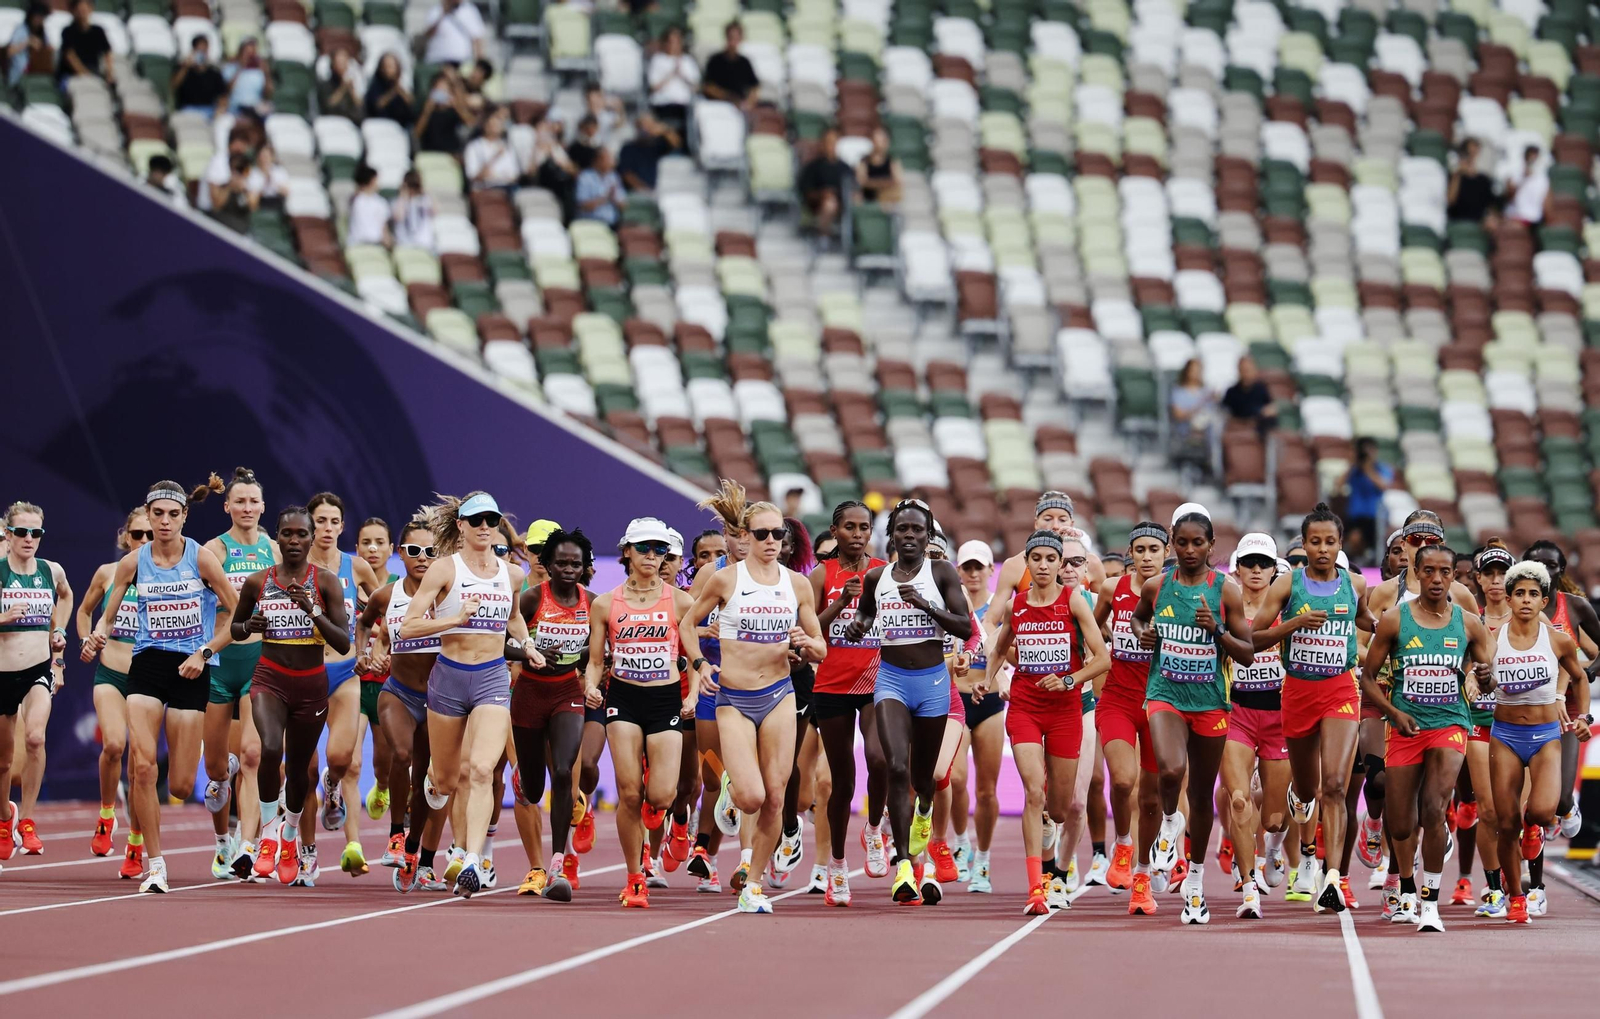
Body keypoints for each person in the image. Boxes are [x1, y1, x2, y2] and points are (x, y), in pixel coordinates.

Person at [83, 480, 239, 892]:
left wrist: (204, 654)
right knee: (142, 766)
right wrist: (98, 632)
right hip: (148, 664)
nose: (165, 522)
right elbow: (108, 613)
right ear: (148, 517)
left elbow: (238, 617)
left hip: (192, 665)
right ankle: (155, 865)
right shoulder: (133, 563)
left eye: (173, 514)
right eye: (158, 515)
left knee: (182, 785)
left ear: (185, 516)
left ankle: (223, 771)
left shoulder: (202, 559)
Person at [688, 491, 825, 913]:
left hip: (779, 696)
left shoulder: (796, 584)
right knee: (750, 797)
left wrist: (807, 643)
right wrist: (699, 665)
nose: (771, 541)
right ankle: (731, 785)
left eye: (777, 534)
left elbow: (820, 647)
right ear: (745, 536)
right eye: (762, 533)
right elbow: (687, 622)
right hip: (733, 698)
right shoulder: (726, 580)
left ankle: (754, 884)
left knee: (776, 797)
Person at [401, 493, 540, 897]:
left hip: (492, 678)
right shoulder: (445, 569)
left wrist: (527, 643)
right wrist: (453, 621)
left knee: (481, 770)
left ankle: (473, 859)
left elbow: (514, 618)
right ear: (460, 525)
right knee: (446, 780)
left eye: (491, 520)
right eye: (476, 520)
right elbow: (408, 626)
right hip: (448, 678)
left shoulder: (512, 574)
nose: (484, 527)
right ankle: (428, 809)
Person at [843, 499, 973, 902]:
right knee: (896, 766)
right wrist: (857, 626)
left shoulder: (942, 572)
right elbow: (865, 616)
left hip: (933, 682)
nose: (911, 536)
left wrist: (925, 605)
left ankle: (924, 811)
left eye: (918, 530)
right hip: (891, 680)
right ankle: (903, 866)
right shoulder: (877, 579)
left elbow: (966, 627)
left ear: (928, 535)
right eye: (903, 530)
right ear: (893, 535)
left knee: (925, 778)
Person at [1360, 543, 1495, 932]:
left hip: (1451, 724)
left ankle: (1429, 901)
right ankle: (1404, 885)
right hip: (1407, 727)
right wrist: (1393, 713)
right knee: (1402, 823)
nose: (1437, 579)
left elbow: (1490, 677)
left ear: (1454, 575)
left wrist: (1485, 678)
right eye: (1429, 571)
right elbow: (1367, 679)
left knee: (1435, 809)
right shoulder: (1395, 621)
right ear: (1417, 573)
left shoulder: (1469, 623)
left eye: (1445, 572)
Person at [1130, 510, 1256, 925]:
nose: (1188, 550)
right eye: (1181, 543)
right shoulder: (1157, 585)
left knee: (1202, 796)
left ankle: (1196, 882)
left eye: (1196, 543)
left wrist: (1216, 629)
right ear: (1172, 544)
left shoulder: (1227, 591)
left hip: (1210, 703)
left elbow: (1246, 652)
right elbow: (1139, 617)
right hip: (1165, 693)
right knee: (1170, 771)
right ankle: (1170, 821)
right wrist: (1143, 633)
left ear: (1210, 546)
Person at [1249, 504, 1374, 914]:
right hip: (1298, 692)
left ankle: (1332, 878)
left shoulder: (1355, 585)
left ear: (1340, 546)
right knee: (1306, 790)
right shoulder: (1288, 584)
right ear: (1304, 544)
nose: (1322, 549)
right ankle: (1299, 803)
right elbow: (1254, 638)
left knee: (1335, 785)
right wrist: (1293, 625)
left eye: (1330, 542)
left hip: (1340, 689)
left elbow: (1370, 621)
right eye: (1315, 542)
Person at [980, 531, 1109, 914]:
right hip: (1026, 709)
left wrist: (1070, 679)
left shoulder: (1075, 602)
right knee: (1034, 792)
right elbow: (1000, 647)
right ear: (1027, 563)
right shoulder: (1016, 605)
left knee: (1060, 807)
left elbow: (1102, 658)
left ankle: (1054, 863)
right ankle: (1037, 887)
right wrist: (987, 681)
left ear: (1058, 564)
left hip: (1066, 710)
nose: (1042, 565)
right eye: (1035, 558)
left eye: (1050, 559)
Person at [585, 517, 705, 907]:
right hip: (623, 699)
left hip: (666, 700)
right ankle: (635, 876)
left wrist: (694, 695)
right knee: (629, 793)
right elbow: (596, 660)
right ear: (627, 552)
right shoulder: (606, 603)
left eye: (659, 549)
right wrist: (590, 684)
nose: (652, 556)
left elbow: (693, 657)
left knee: (662, 794)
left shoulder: (680, 601)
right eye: (644, 548)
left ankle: (661, 814)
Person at [231, 506, 352, 885]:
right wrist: (247, 625)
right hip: (269, 679)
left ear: (312, 538)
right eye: (288, 534)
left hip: (311, 684)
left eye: (302, 534)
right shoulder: (258, 581)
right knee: (269, 750)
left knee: (300, 772)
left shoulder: (327, 582)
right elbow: (236, 627)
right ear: (277, 538)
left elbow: (344, 642)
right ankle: (268, 832)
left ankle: (290, 835)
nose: (295, 541)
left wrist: (312, 610)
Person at [1489, 560, 1591, 923]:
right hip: (1504, 737)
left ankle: (1535, 829)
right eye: (1520, 594)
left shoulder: (1558, 639)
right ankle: (1516, 898)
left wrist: (1584, 719)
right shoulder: (1493, 637)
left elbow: (1579, 678)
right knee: (1505, 821)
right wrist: (1476, 682)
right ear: (1511, 598)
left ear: (1544, 601)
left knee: (1543, 812)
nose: (1527, 600)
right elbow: (1476, 676)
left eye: (1534, 594)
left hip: (1547, 736)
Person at [358, 521, 445, 891]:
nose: (422, 559)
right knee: (401, 753)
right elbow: (363, 624)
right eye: (413, 551)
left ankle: (413, 848)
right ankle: (396, 833)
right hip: (398, 692)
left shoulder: (449, 595)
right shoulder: (386, 595)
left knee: (428, 779)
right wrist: (366, 651)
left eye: (430, 552)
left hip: (439, 700)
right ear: (400, 554)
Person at [200, 469, 277, 881]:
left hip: (258, 663)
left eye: (254, 501)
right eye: (240, 502)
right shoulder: (213, 550)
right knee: (216, 768)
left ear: (263, 507)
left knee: (251, 755)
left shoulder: (276, 550)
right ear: (227, 506)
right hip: (216, 664)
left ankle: (247, 847)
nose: (247, 508)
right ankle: (221, 841)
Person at [511, 528, 596, 900]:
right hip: (528, 694)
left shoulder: (592, 603)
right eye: (560, 562)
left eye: (575, 563)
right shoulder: (531, 600)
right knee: (533, 788)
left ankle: (558, 863)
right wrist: (527, 652)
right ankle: (522, 778)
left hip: (567, 693)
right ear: (546, 564)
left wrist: (589, 670)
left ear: (585, 566)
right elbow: (500, 643)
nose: (568, 569)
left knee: (564, 772)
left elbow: (600, 647)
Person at [306, 492, 382, 880]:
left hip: (344, 672)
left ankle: (332, 788)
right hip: (303, 673)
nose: (328, 529)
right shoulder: (296, 567)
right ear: (309, 524)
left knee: (345, 761)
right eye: (321, 521)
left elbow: (378, 614)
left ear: (342, 526)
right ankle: (303, 847)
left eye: (334, 522)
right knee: (302, 766)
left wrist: (371, 648)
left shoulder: (356, 568)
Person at [1520, 539, 1599, 913]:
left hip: (1564, 713)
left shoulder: (1575, 608)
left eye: (1551, 565)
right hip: (1522, 715)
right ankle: (1532, 888)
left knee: (1561, 798)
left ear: (1560, 571)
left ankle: (1568, 809)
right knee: (1530, 808)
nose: (1543, 570)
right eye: (1535, 563)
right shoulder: (1516, 607)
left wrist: (1586, 673)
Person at [1092, 521, 1168, 912]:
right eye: (1140, 550)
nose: (1147, 556)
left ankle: (1142, 876)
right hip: (1118, 698)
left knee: (1152, 797)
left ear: (1166, 553)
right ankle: (1123, 843)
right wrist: (1106, 640)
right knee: (1123, 780)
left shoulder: (1177, 593)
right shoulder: (1112, 588)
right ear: (1131, 554)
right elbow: (1096, 624)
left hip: (1161, 702)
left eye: (1154, 549)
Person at [75, 509, 152, 872]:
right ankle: (107, 814)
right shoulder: (108, 574)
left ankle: (136, 842)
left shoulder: (171, 580)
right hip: (111, 673)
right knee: (113, 745)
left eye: (152, 536)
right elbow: (83, 611)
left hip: (148, 681)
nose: (145, 542)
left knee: (140, 765)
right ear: (126, 537)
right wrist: (86, 641)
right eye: (139, 535)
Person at [1221, 534, 1291, 917]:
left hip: (1279, 717)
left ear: (1274, 569)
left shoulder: (1287, 606)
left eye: (1264, 564)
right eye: (1249, 563)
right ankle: (1250, 888)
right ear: (1237, 568)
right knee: (1238, 799)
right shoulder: (1225, 605)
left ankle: (1274, 846)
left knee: (1274, 816)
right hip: (1237, 713)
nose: (1256, 570)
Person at [0, 501, 72, 860]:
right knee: (3, 761)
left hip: (38, 670)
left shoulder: (50, 570)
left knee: (34, 737)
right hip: (2, 672)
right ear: (8, 534)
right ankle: (3, 820)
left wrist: (58, 633)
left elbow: (66, 594)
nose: (29, 539)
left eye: (36, 533)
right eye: (22, 532)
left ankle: (27, 820)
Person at [951, 538, 1002, 892]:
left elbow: (1011, 651)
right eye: (966, 567)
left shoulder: (999, 610)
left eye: (978, 567)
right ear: (958, 571)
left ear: (989, 571)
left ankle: (982, 860)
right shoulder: (951, 607)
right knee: (954, 779)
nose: (972, 573)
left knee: (986, 790)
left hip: (991, 703)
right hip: (955, 698)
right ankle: (960, 842)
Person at [1342, 438, 1392, 565]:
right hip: (1355, 515)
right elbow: (1338, 485)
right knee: (1354, 539)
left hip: (1374, 516)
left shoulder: (1381, 469)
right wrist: (1352, 464)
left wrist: (1368, 468)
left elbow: (1383, 485)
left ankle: (1367, 560)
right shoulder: (1354, 470)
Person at [799, 128, 850, 238]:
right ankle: (823, 237)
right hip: (818, 205)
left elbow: (853, 190)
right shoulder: (813, 167)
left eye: (834, 142)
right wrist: (823, 194)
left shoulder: (846, 168)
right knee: (829, 204)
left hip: (844, 205)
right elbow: (806, 192)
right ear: (822, 143)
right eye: (828, 142)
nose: (831, 146)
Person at [647, 25, 698, 129]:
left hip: (684, 106)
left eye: (676, 42)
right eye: (670, 42)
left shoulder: (688, 61)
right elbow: (653, 87)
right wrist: (671, 75)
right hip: (663, 104)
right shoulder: (658, 60)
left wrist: (682, 75)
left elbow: (696, 87)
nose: (673, 45)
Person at [415, 69, 476, 155]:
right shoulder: (425, 110)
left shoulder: (454, 111)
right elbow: (416, 134)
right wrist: (427, 110)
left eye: (444, 90)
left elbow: (471, 124)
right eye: (438, 90)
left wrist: (456, 106)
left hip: (451, 153)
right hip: (429, 153)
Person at [617, 113, 681, 194]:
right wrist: (644, 190)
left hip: (652, 191)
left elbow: (676, 143)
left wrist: (664, 129)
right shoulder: (628, 147)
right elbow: (626, 173)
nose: (644, 129)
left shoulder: (655, 145)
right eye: (640, 125)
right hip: (634, 192)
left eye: (647, 125)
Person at [702, 22, 759, 110]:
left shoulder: (745, 62)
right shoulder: (715, 61)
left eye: (736, 38)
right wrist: (727, 97)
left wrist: (749, 102)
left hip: (740, 107)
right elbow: (708, 87)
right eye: (731, 38)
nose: (733, 42)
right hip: (718, 106)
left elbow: (754, 86)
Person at [463, 106, 522, 190]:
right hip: (485, 189)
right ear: (486, 126)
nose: (496, 127)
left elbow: (513, 175)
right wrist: (495, 157)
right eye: (493, 124)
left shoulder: (507, 146)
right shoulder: (474, 147)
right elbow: (473, 176)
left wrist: (500, 177)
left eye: (499, 124)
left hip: (507, 188)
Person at [1168, 358, 1215, 463]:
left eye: (1198, 370)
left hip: (1206, 427)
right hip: (1186, 429)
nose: (1196, 373)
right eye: (1193, 370)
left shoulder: (1205, 391)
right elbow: (1178, 414)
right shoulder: (1179, 392)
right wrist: (1196, 409)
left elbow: (1210, 411)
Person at [172, 35, 227, 120]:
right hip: (188, 109)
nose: (202, 53)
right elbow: (174, 85)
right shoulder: (184, 70)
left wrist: (219, 111)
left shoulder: (214, 72)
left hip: (208, 110)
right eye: (199, 50)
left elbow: (222, 95)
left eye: (204, 50)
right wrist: (186, 67)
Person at [56, 0, 111, 84]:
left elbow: (107, 52)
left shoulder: (98, 31)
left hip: (94, 71)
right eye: (79, 9)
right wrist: (86, 75)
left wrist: (109, 73)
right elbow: (69, 56)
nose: (82, 12)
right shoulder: (68, 32)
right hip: (72, 75)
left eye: (84, 9)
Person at [1221, 355, 1276, 434]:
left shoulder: (1261, 389)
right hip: (1237, 429)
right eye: (1243, 370)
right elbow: (1227, 411)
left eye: (1248, 370)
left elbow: (1269, 408)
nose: (1246, 373)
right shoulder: (1231, 392)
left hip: (1259, 427)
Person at [1447, 138, 1496, 225]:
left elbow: (1490, 207)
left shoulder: (1484, 180)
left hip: (1478, 224)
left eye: (1475, 150)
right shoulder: (1454, 177)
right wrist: (1457, 175)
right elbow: (1451, 201)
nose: (1472, 154)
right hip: (1457, 222)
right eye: (1468, 151)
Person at [423, 0, 486, 66]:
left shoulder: (470, 10)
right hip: (438, 59)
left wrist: (479, 61)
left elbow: (477, 38)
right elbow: (428, 34)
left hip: (462, 61)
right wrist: (443, 14)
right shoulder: (436, 10)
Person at [222, 37, 272, 117]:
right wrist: (240, 68)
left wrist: (266, 73)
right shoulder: (230, 68)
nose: (249, 57)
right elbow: (227, 90)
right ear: (240, 52)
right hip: (235, 110)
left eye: (252, 54)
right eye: (247, 53)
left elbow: (268, 94)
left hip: (255, 110)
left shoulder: (259, 72)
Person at [575, 147, 625, 225]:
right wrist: (605, 198)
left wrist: (614, 198)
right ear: (597, 160)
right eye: (608, 159)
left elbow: (623, 206)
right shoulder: (585, 177)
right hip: (589, 223)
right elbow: (583, 206)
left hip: (611, 224)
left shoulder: (614, 177)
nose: (612, 162)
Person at [6, 4, 51, 89]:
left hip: (37, 74)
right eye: (37, 17)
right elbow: (10, 52)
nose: (39, 20)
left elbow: (46, 50)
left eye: (42, 17)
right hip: (19, 75)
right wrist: (27, 42)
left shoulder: (43, 32)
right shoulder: (21, 30)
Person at [347, 165, 393, 247]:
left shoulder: (381, 202)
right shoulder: (356, 200)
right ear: (372, 181)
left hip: (376, 244)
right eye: (376, 180)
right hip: (357, 244)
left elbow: (384, 227)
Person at [855, 126, 902, 206]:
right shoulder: (864, 161)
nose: (878, 143)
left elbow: (897, 181)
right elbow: (861, 181)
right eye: (876, 139)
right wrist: (885, 183)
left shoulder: (892, 161)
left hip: (887, 200)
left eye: (882, 139)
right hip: (867, 198)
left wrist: (872, 183)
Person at [1504, 145, 1549, 226]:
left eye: (1534, 158)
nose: (1531, 161)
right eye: (1529, 157)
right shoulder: (1514, 175)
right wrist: (1523, 179)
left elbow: (1546, 205)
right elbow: (1509, 197)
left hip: (1532, 219)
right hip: (1514, 216)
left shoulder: (1543, 180)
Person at [364, 53, 414, 126]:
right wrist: (393, 91)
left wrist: (400, 89)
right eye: (387, 66)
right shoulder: (376, 84)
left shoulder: (402, 81)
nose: (389, 69)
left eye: (392, 66)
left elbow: (411, 103)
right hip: (381, 123)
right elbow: (377, 105)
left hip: (402, 125)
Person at [392, 170, 436, 251]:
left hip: (424, 243)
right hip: (405, 244)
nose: (412, 189)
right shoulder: (399, 201)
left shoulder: (425, 200)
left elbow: (435, 212)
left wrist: (425, 191)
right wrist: (403, 195)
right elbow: (398, 217)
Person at [318, 47, 365, 122]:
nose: (342, 66)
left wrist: (352, 90)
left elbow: (360, 106)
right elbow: (328, 106)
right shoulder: (325, 84)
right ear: (333, 65)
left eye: (345, 63)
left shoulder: (351, 84)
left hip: (351, 121)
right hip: (332, 121)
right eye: (339, 63)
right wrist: (343, 88)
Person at [246, 143, 289, 208]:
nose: (264, 159)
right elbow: (252, 196)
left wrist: (271, 180)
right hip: (260, 202)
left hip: (276, 200)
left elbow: (285, 191)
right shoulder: (253, 173)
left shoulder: (279, 171)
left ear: (272, 157)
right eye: (262, 156)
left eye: (266, 156)